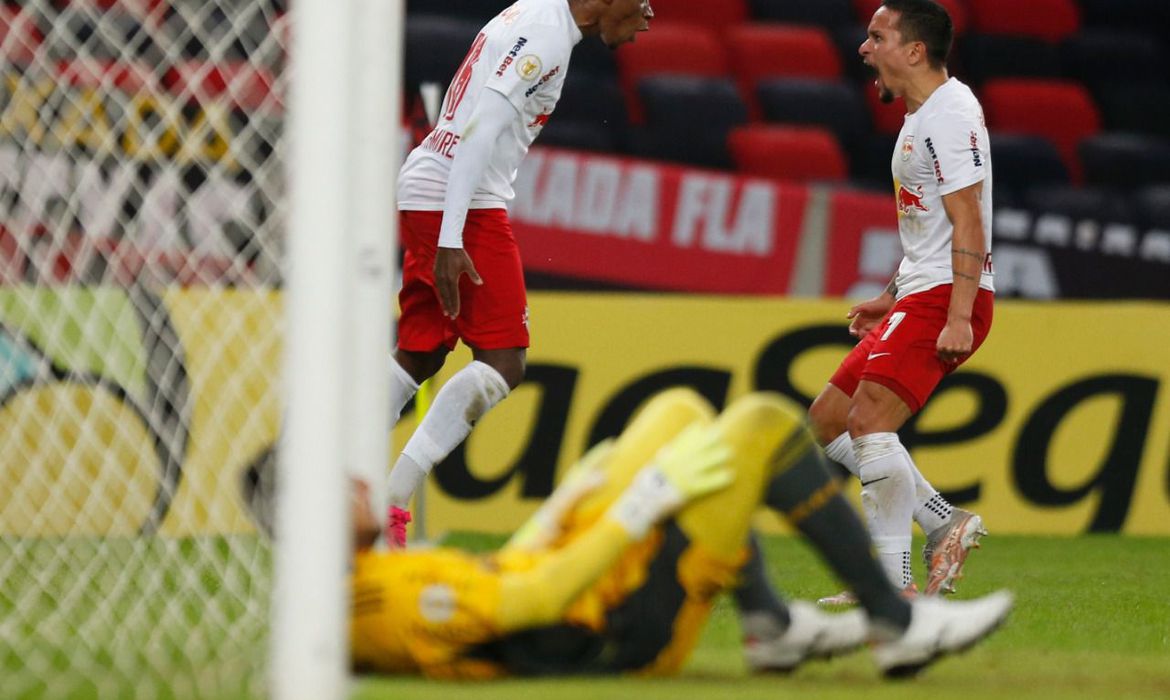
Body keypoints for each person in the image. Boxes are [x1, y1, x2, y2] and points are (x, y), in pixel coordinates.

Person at [275, 389, 1014, 679]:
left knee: (679, 413)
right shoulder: (378, 603)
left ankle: (769, 623)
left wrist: (563, 508)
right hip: (618, 627)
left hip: (585, 584)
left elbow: (508, 578)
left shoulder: (366, 581)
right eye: (341, 486)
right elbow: (534, 603)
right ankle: (895, 623)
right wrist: (635, 509)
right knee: (761, 425)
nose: (363, 484)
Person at [383, 0, 656, 546]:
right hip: (462, 200)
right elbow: (481, 129)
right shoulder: (546, 37)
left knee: (421, 351)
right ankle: (390, 504)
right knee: (504, 361)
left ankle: (323, 469)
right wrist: (452, 239)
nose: (649, 13)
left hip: (431, 187)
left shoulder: (537, 15)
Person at [807, 0, 995, 605]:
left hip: (947, 296)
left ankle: (891, 586)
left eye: (876, 36)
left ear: (914, 50)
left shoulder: (951, 115)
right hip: (923, 290)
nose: (864, 49)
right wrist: (891, 295)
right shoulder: (921, 117)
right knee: (829, 419)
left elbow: (968, 221)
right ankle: (943, 520)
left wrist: (959, 315)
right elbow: (928, 228)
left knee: (868, 422)